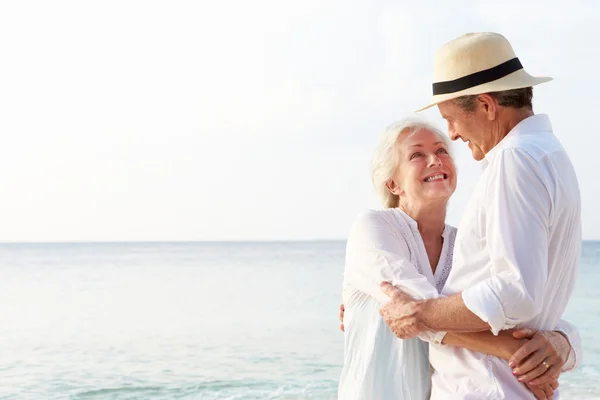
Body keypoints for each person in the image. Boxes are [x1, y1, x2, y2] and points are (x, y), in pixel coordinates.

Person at [378, 32, 582, 399]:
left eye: (451, 119)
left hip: (484, 389)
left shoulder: (514, 160)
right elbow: (537, 291)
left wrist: (420, 314)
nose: (453, 135)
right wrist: (565, 341)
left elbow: (516, 292)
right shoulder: (551, 156)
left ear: (487, 106)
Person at [338, 117, 580, 400]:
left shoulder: (463, 243)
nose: (435, 160)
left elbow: (507, 304)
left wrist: (563, 343)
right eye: (417, 154)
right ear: (392, 184)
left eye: (442, 151)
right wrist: (521, 356)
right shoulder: (373, 228)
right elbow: (419, 314)